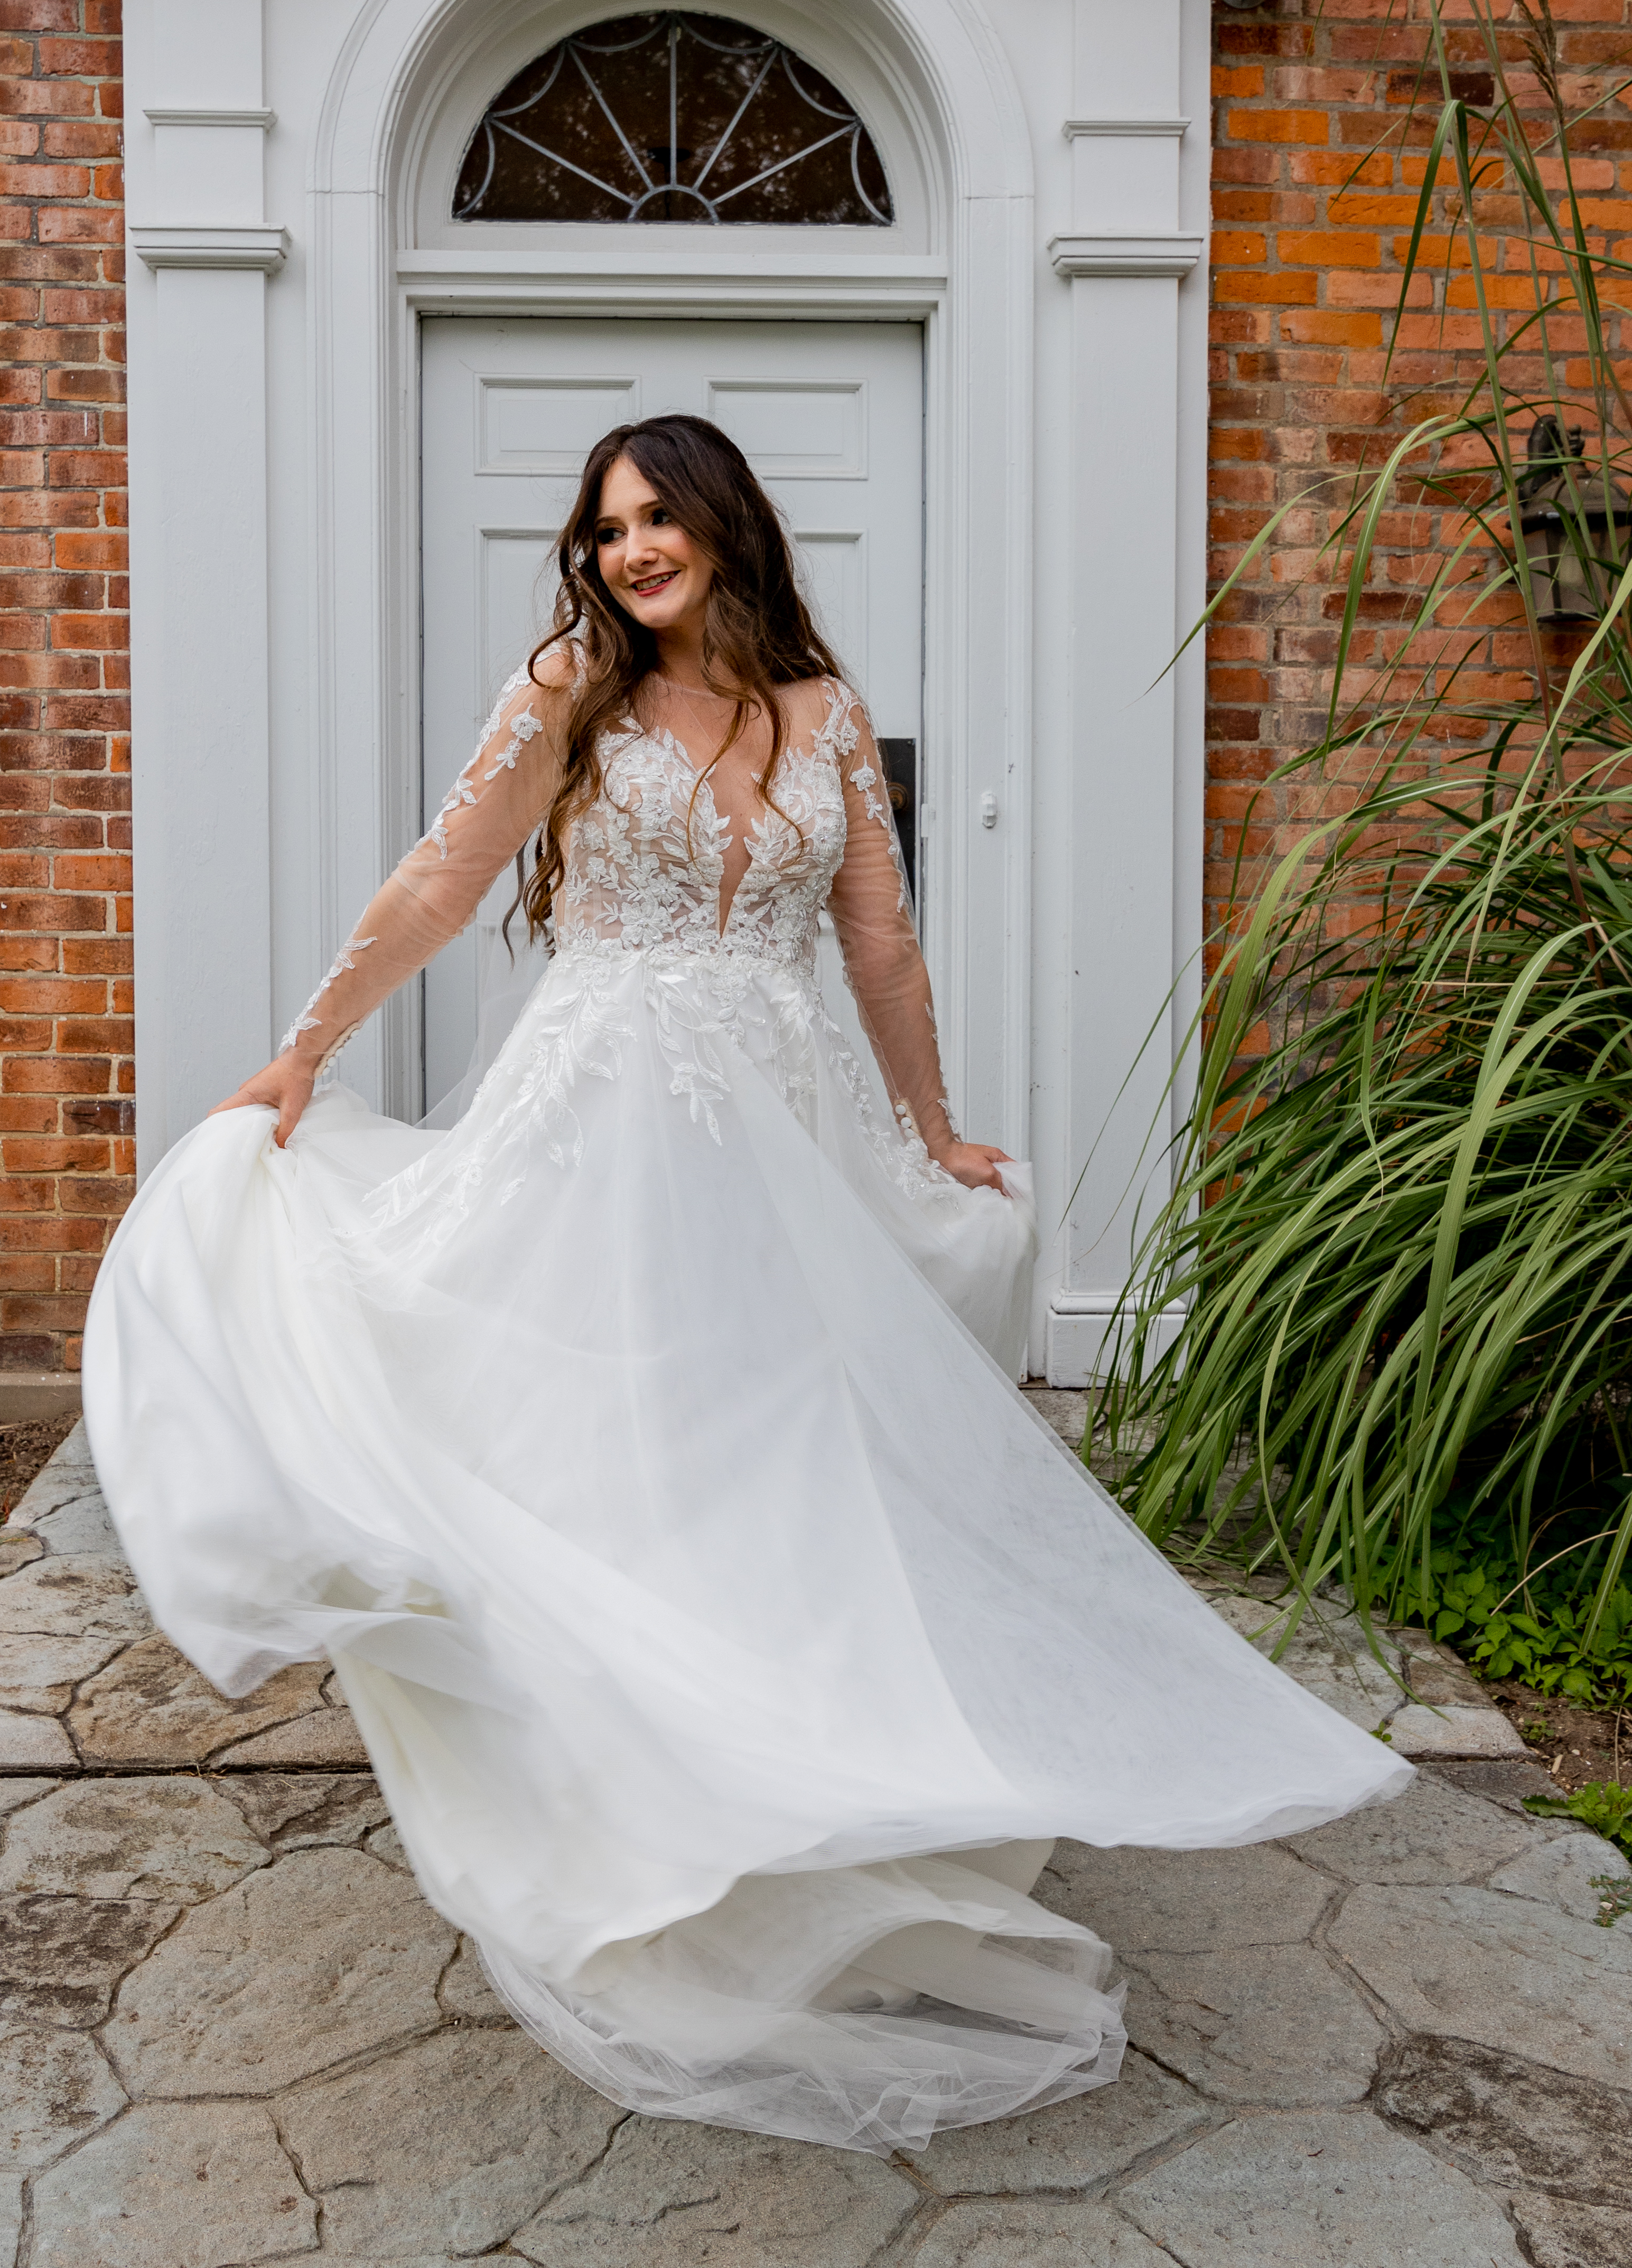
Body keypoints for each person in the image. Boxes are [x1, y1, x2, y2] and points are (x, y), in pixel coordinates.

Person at [85, 414, 1409, 2154]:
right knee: (617, 1456)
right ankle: (645, 1826)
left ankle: (803, 1799)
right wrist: (303, 1049)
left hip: (790, 1135)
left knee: (778, 1464)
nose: (632, 549)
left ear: (723, 524)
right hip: (603, 1125)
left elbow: (876, 936)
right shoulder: (570, 685)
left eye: (657, 518)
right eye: (607, 525)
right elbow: (447, 875)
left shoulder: (823, 714)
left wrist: (930, 1130)